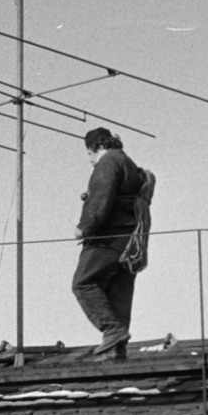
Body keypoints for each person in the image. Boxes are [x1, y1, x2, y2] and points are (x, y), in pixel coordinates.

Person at [72, 127, 147, 360]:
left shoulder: (108, 162)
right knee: (118, 292)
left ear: (98, 147)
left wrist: (84, 227)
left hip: (108, 237)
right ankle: (116, 352)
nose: (90, 160)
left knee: (83, 283)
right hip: (132, 241)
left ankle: (112, 331)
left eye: (89, 153)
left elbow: (100, 199)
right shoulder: (129, 163)